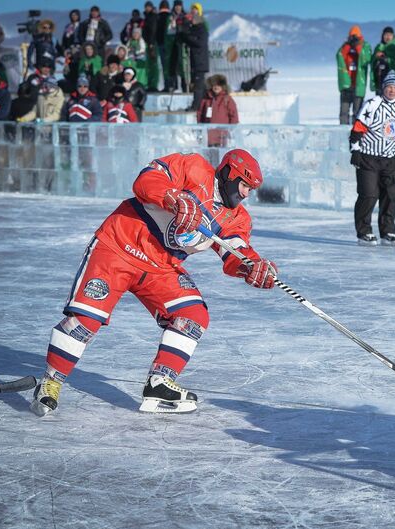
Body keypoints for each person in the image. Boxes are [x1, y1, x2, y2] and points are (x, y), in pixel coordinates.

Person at [30, 149, 277, 417]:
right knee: (85, 322)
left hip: (162, 266)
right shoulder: (193, 167)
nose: (245, 194)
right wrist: (173, 197)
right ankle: (50, 382)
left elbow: (236, 251)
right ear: (229, 174)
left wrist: (252, 266)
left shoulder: (237, 218)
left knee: (192, 315)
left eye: (250, 189)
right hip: (119, 247)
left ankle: (159, 383)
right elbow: (146, 180)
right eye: (244, 185)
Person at [349, 71, 395, 247]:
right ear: (384, 88)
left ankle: (387, 231)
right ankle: (364, 232)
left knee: (391, 196)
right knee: (369, 195)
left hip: (389, 159)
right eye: (389, 87)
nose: (392, 90)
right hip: (368, 158)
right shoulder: (373, 104)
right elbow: (357, 128)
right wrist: (355, 151)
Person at [336, 25, 372, 125]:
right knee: (344, 113)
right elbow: (339, 56)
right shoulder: (345, 47)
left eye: (356, 37)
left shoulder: (365, 47)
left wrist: (358, 46)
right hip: (346, 85)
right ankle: (343, 135)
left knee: (358, 113)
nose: (353, 39)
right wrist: (348, 45)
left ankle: (356, 135)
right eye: (352, 37)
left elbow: (366, 58)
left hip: (358, 85)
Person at [180, 3, 210, 111]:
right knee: (199, 85)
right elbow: (187, 35)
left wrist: (187, 38)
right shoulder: (195, 28)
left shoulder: (202, 28)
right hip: (195, 60)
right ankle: (203, 105)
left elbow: (199, 43)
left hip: (200, 61)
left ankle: (196, 106)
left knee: (198, 86)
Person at [197, 74, 239, 147]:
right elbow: (200, 114)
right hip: (208, 136)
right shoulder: (206, 100)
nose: (216, 87)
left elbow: (234, 116)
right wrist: (200, 129)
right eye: (214, 85)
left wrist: (230, 130)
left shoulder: (227, 99)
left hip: (222, 136)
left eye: (219, 85)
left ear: (223, 86)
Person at [372, 27, 395, 92]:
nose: (387, 37)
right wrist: (376, 57)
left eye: (390, 35)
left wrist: (387, 59)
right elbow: (372, 61)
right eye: (386, 35)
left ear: (393, 36)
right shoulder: (379, 46)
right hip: (379, 77)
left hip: (392, 78)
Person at [142, 2, 160, 92]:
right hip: (148, 42)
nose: (147, 9)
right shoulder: (147, 17)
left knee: (153, 64)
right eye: (146, 7)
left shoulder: (153, 17)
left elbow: (153, 30)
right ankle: (150, 83)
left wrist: (151, 43)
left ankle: (153, 84)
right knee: (149, 65)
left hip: (152, 43)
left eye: (148, 7)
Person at [156, 0, 171, 91]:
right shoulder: (170, 17)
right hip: (170, 44)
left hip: (160, 44)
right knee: (170, 66)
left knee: (164, 66)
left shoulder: (158, 17)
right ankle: (173, 85)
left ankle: (167, 85)